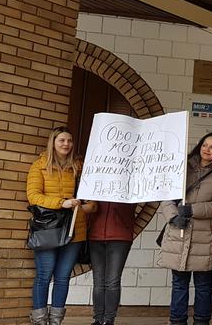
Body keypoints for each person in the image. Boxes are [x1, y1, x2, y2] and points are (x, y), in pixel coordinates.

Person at [158, 132, 212, 325]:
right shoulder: (182, 168)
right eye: (205, 145)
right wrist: (173, 216)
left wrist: (193, 209)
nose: (207, 149)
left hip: (206, 237)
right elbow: (166, 194)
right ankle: (177, 321)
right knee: (179, 283)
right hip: (179, 233)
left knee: (203, 284)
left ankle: (201, 321)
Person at [26, 126, 97, 325]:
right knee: (44, 276)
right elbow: (33, 196)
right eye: (62, 140)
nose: (66, 144)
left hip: (75, 230)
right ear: (53, 143)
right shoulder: (39, 166)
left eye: (69, 141)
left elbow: (92, 203)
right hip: (47, 231)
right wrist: (61, 202)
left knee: (63, 277)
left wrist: (86, 207)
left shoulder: (79, 167)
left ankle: (56, 321)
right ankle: (40, 320)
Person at [87, 201, 136, 325]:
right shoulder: (96, 181)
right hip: (95, 235)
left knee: (112, 281)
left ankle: (109, 320)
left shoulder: (129, 184)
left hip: (120, 236)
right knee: (98, 281)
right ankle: (98, 319)